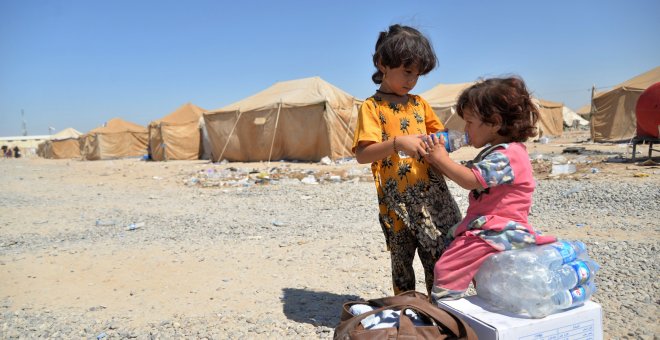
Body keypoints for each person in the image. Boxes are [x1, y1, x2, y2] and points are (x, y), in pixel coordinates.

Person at [423, 77, 557, 303]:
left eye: (469, 122)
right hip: (490, 228)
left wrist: (441, 158)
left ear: (494, 122)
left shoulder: (507, 155)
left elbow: (469, 180)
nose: (465, 129)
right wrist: (438, 161)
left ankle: (443, 315)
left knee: (448, 268)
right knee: (485, 277)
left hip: (497, 229)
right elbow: (470, 176)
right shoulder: (501, 152)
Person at [353, 24, 462, 297]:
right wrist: (397, 143)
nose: (411, 80)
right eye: (406, 71)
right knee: (402, 265)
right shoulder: (372, 107)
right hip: (396, 203)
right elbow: (362, 155)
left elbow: (440, 138)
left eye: (417, 74)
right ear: (382, 64)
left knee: (438, 259)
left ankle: (440, 316)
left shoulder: (419, 104)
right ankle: (407, 317)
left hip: (431, 198)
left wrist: (443, 144)